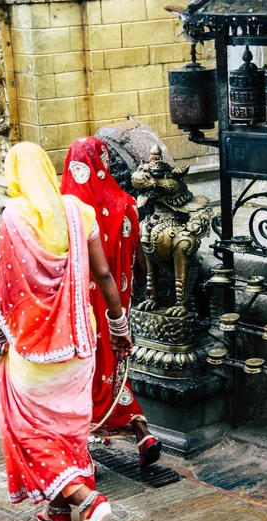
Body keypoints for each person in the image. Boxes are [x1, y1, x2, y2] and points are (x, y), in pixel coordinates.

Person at [0, 142, 133, 521]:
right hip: (80, 345)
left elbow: (4, 289)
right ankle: (60, 513)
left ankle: (86, 500)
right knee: (66, 428)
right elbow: (104, 274)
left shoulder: (12, 217)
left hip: (31, 352)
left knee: (27, 429)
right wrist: (119, 327)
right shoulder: (77, 211)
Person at [61, 137, 162, 469]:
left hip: (79, 311)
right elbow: (139, 257)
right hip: (115, 306)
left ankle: (82, 454)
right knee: (115, 365)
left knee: (84, 373)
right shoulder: (126, 203)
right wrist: (143, 289)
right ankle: (142, 430)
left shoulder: (67, 211)